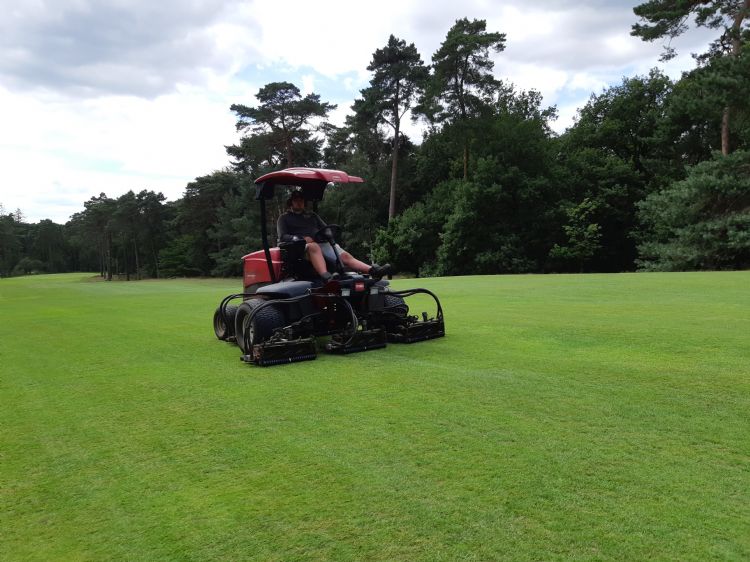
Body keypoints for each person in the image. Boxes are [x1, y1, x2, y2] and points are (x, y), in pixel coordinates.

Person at [277, 190, 391, 281]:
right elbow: (283, 236)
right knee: (313, 246)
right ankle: (326, 276)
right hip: (299, 248)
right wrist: (302, 239)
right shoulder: (284, 218)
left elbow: (325, 228)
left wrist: (329, 235)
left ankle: (373, 271)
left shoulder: (312, 215)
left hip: (320, 243)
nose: (299, 202)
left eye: (301, 200)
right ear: (291, 202)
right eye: (296, 200)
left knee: (344, 256)